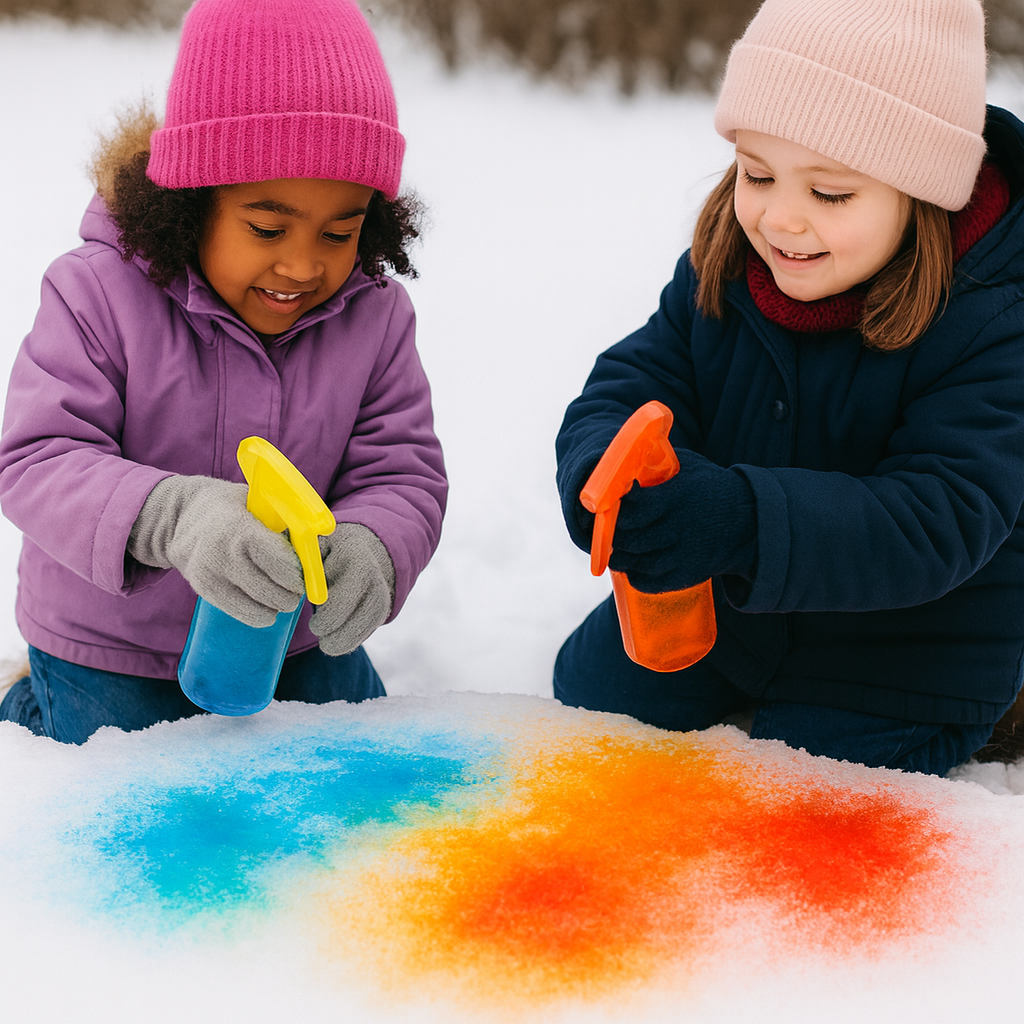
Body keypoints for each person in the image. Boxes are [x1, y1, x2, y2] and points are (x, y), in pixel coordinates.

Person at [554, 0, 1024, 776]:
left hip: (905, 654)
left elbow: (939, 516)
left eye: (830, 194)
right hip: (725, 616)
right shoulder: (732, 265)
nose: (781, 219)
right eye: (757, 173)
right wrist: (600, 474)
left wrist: (742, 520)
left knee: (791, 795)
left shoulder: (991, 318)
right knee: (590, 696)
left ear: (924, 190)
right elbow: (635, 381)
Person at [0, 0, 447, 743]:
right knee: (133, 789)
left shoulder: (376, 316)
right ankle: (29, 704)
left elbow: (403, 471)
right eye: (267, 228)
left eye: (341, 231)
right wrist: (176, 518)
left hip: (293, 641)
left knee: (364, 778)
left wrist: (376, 542)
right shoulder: (95, 294)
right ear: (192, 201)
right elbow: (37, 459)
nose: (303, 265)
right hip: (115, 648)